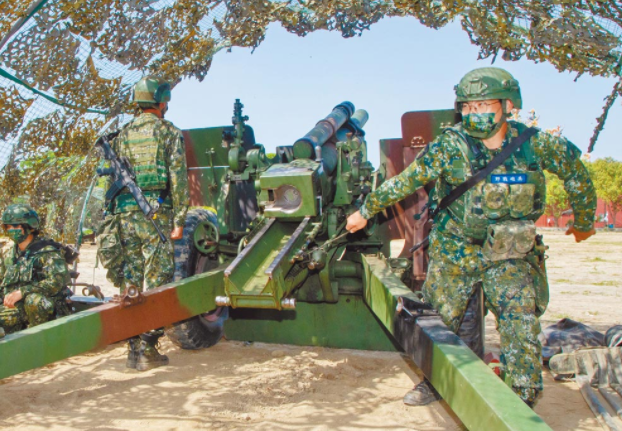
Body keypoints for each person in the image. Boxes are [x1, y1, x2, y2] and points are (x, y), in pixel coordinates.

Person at [346, 67, 596, 407]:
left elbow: (576, 174)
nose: (473, 113)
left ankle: (522, 400)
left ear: (509, 105)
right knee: (438, 324)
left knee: (520, 324)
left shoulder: (535, 144)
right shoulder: (451, 145)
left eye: (483, 105)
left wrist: (584, 221)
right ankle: (434, 383)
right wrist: (366, 210)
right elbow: (407, 181)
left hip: (510, 254)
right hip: (456, 252)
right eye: (467, 107)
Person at [101, 76, 189, 371]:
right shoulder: (169, 132)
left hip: (125, 215)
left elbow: (112, 180)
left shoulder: (122, 135)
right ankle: (147, 348)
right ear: (162, 101)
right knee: (158, 278)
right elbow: (178, 181)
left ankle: (134, 348)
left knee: (131, 278)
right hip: (155, 213)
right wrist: (179, 220)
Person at [0, 204, 71, 334]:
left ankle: (38, 340)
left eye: (16, 226)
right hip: (15, 308)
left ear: (29, 227)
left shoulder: (47, 251)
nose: (12, 230)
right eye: (9, 227)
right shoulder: (8, 254)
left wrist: (23, 292)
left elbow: (58, 281)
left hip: (43, 307)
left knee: (33, 300)